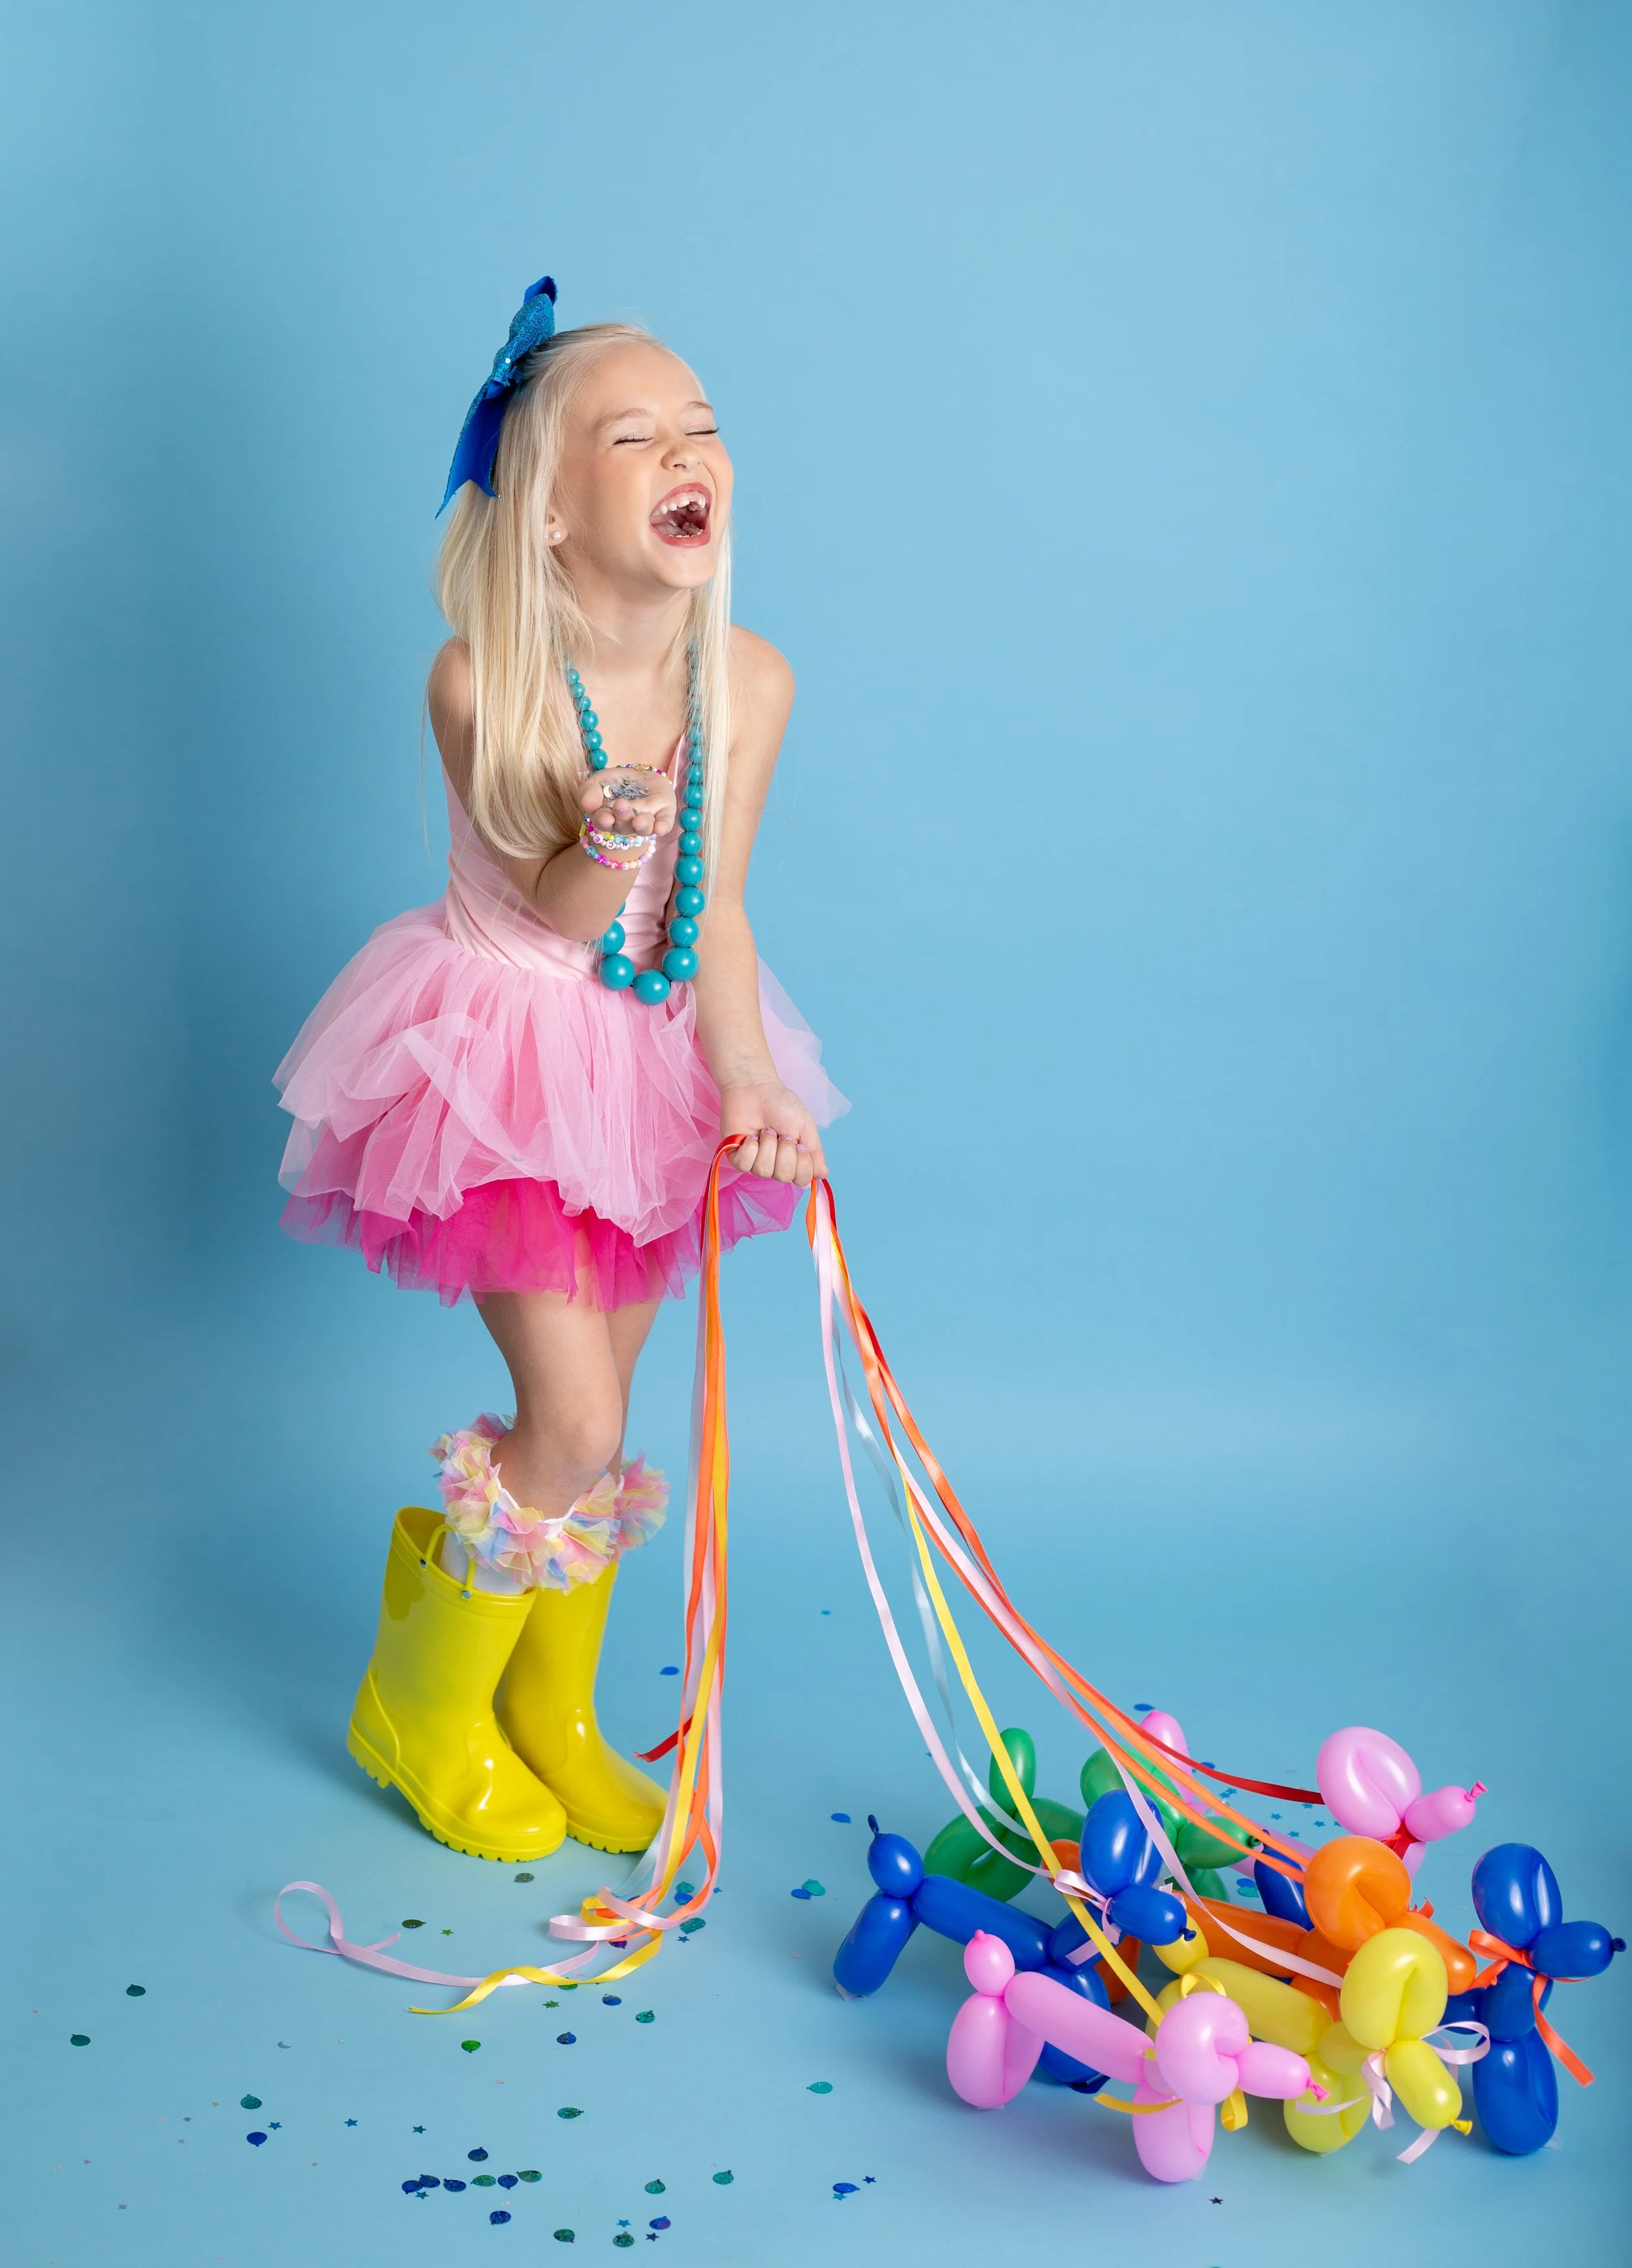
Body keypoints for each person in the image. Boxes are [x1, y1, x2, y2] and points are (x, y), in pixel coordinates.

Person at [274, 275, 845, 1865]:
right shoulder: (485, 680)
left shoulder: (752, 682)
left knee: (612, 1412)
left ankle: (554, 1716)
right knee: (573, 1426)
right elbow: (559, 909)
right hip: (499, 1053)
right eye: (636, 434)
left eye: (706, 431)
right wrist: (611, 833)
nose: (691, 456)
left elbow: (712, 908)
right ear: (544, 511)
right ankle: (422, 1704)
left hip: (647, 1060)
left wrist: (743, 1078)